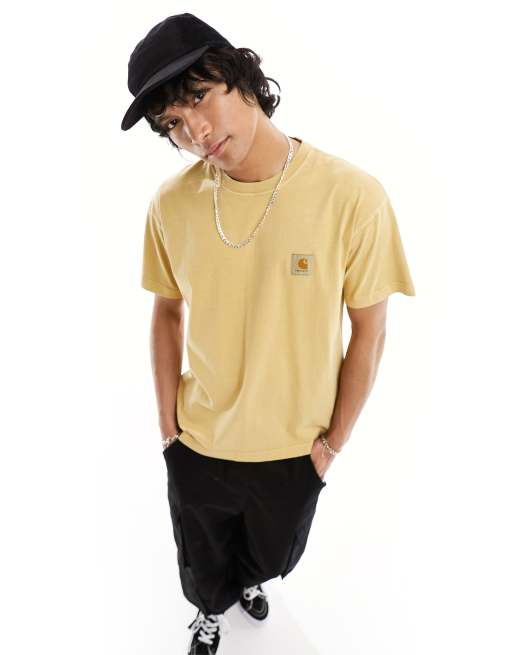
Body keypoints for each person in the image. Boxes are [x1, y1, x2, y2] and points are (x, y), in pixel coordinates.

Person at [121, 12, 416, 655]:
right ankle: (209, 611)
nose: (195, 132)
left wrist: (332, 445)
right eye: (172, 123)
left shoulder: (352, 196)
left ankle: (250, 581)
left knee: (274, 554)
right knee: (200, 561)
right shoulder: (171, 205)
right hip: (200, 439)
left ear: (241, 75)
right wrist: (169, 429)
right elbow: (166, 312)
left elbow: (369, 330)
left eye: (200, 97)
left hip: (295, 447)